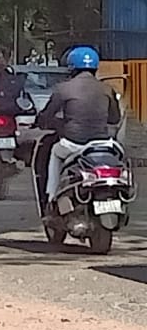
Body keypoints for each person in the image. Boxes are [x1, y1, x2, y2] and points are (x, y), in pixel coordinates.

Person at [37, 45, 121, 208]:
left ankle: (51, 197)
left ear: (71, 67)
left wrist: (45, 122)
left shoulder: (63, 89)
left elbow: (47, 116)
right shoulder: (107, 89)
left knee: (55, 152)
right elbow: (114, 118)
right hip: (101, 144)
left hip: (73, 144)